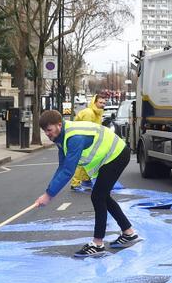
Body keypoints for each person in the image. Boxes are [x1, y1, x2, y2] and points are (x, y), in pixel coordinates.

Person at [34, 109, 140, 258]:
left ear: (59, 125)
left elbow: (68, 172)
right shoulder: (62, 136)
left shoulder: (74, 138)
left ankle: (97, 244)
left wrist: (48, 195)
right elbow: (62, 167)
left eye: (49, 130)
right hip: (110, 158)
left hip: (116, 154)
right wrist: (48, 191)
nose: (47, 134)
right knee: (103, 196)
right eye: (45, 131)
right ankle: (129, 233)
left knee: (98, 197)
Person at [69, 94, 105, 191]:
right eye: (100, 102)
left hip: (87, 139)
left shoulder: (97, 113)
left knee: (89, 160)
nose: (102, 105)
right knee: (83, 161)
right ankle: (75, 183)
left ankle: (85, 180)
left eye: (104, 103)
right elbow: (87, 129)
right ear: (94, 102)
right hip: (81, 139)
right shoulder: (89, 113)